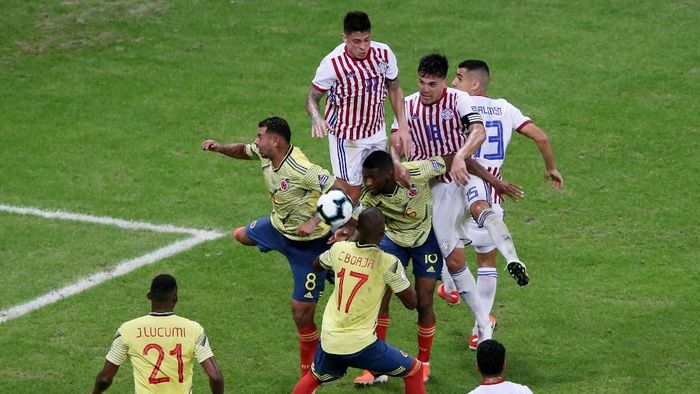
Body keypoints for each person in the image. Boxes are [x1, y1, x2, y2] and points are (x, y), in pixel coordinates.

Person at [390, 54, 528, 349]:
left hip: (463, 173)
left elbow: (478, 132)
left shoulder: (458, 99)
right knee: (453, 260)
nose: (425, 88)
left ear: (443, 81)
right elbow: (396, 141)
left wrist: (462, 158)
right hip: (435, 189)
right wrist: (396, 159)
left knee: (482, 208)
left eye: (432, 83)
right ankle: (481, 319)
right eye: (421, 82)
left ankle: (513, 259)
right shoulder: (409, 106)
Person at [442, 59, 565, 348]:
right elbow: (542, 137)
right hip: (493, 188)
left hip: (463, 183)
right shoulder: (505, 107)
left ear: (474, 85)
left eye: (459, 78)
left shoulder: (461, 104)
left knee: (448, 244)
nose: (454, 83)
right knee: (486, 260)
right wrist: (551, 168)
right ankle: (480, 328)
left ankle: (450, 288)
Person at [201, 116, 335, 377]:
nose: (256, 140)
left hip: (309, 246)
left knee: (301, 314)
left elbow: (339, 190)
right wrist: (219, 147)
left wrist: (314, 220)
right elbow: (242, 150)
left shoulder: (302, 169)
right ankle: (267, 242)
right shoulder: (266, 154)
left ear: (275, 141)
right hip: (277, 229)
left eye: (259, 136)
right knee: (240, 235)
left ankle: (311, 373)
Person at [292, 208, 426, 394]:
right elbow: (412, 303)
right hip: (362, 345)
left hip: (330, 339)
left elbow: (317, 264)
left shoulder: (339, 249)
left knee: (315, 377)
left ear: (357, 229)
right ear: (382, 232)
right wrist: (399, 278)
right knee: (414, 370)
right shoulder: (388, 262)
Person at [306, 10, 412, 204]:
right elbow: (312, 98)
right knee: (351, 195)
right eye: (357, 41)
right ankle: (333, 229)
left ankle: (374, 230)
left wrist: (402, 127)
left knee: (381, 184)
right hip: (347, 138)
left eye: (367, 39)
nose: (363, 47)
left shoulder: (384, 54)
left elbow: (394, 88)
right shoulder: (332, 64)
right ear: (345, 37)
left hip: (376, 131)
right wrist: (316, 117)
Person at [90, 274, 224, 394]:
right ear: (175, 298)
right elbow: (215, 377)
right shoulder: (194, 329)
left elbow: (105, 378)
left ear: (149, 296)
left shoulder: (127, 330)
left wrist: (95, 392)